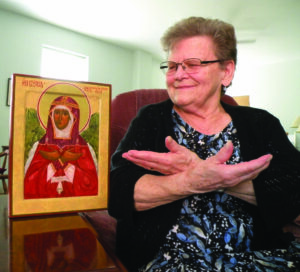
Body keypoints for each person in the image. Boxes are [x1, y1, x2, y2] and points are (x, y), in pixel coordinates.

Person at [108, 17, 300, 271]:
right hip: (173, 260)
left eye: (192, 64)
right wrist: (191, 180)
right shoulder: (151, 118)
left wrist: (221, 178)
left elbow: (293, 191)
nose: (178, 75)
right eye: (172, 65)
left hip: (257, 255)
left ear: (226, 71)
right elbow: (118, 191)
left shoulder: (261, 123)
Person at [24, 95, 98, 198]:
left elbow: (92, 183)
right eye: (57, 113)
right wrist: (52, 167)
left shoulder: (84, 147)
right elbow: (29, 182)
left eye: (65, 113)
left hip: (76, 207)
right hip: (44, 207)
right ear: (51, 115)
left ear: (73, 117)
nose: (60, 118)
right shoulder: (40, 146)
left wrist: (68, 167)